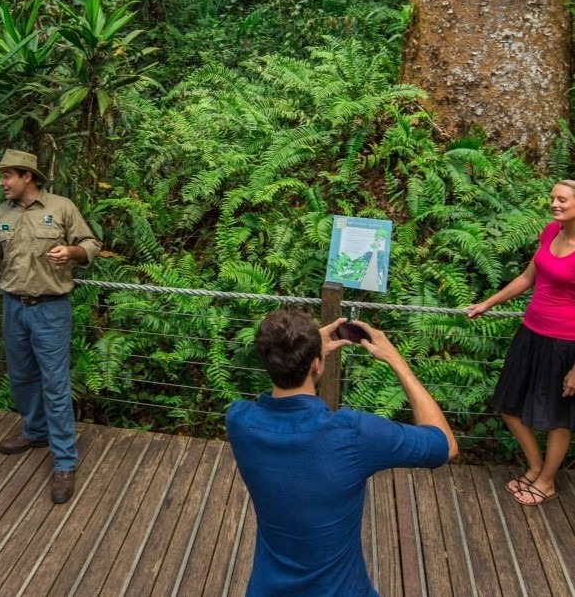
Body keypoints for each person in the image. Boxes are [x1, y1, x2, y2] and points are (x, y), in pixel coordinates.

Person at [226, 307, 457, 596]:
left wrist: (301, 353)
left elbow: (279, 386)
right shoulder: (352, 434)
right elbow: (445, 445)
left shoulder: (239, 421)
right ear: (315, 365)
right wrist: (397, 361)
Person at [0, 149, 101, 504]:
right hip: (13, 307)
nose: (2, 183)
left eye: (7, 176)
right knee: (21, 376)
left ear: (27, 176)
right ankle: (34, 430)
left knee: (55, 384)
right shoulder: (1, 214)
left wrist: (72, 253)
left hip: (50, 309)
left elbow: (91, 244)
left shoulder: (60, 208)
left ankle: (64, 461)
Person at [466, 179, 575, 506]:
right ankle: (537, 467)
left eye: (563, 200)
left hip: (565, 344)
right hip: (531, 332)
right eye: (553, 198)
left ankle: (546, 482)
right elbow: (529, 277)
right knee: (506, 403)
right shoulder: (549, 232)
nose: (554, 204)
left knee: (558, 417)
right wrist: (488, 303)